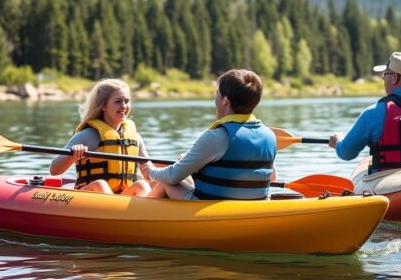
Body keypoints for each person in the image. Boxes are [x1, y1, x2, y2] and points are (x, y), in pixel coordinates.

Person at [144, 69, 277, 200]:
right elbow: (272, 177)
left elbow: (173, 176)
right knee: (179, 167)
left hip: (210, 208)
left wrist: (151, 172)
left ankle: (143, 209)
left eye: (217, 93)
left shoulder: (217, 136)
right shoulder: (269, 135)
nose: (215, 99)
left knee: (166, 180)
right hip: (253, 206)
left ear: (225, 100)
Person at [49, 78, 152, 196]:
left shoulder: (135, 138)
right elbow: (54, 170)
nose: (124, 106)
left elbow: (148, 171)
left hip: (121, 197)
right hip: (90, 196)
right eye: (118, 101)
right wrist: (72, 156)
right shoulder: (87, 135)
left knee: (142, 185)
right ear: (103, 106)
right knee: (101, 184)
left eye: (127, 101)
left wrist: (174, 167)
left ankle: (147, 212)